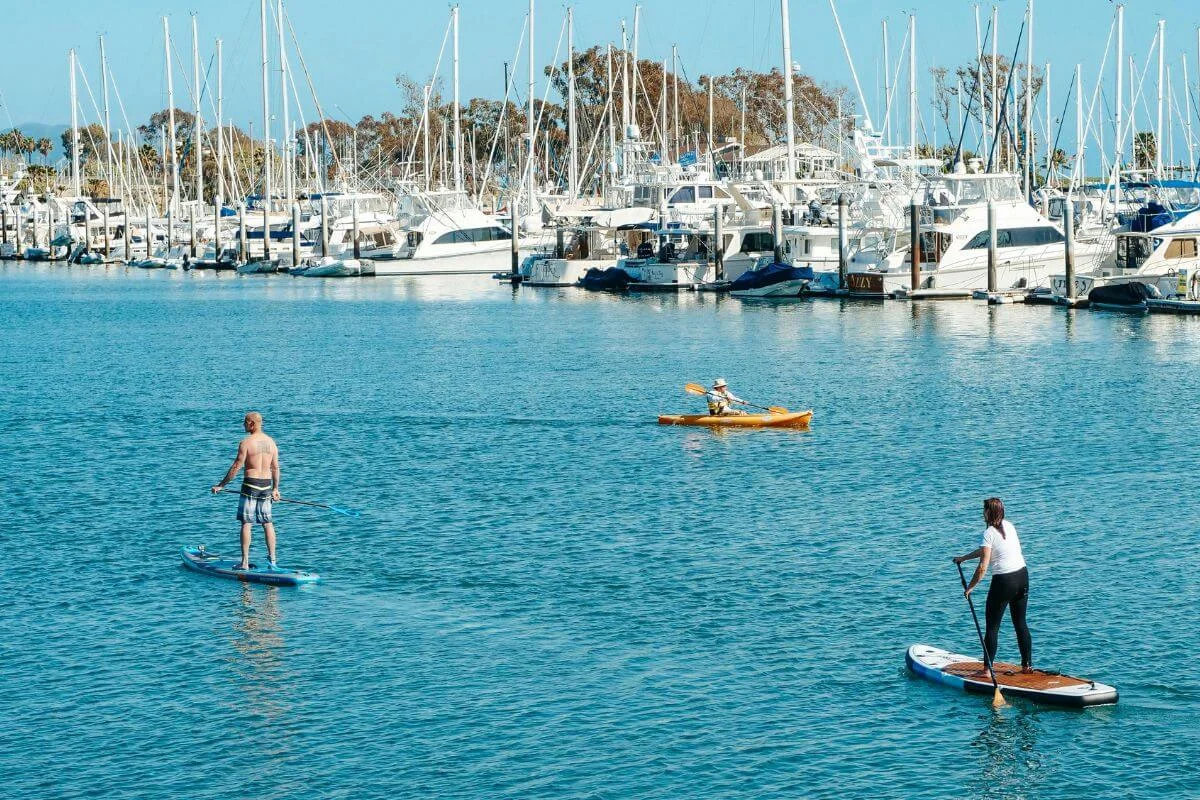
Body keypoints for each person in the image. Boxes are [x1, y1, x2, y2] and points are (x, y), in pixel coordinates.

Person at [953, 498, 1033, 673]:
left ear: (990, 513)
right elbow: (987, 550)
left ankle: (987, 670)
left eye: (984, 510)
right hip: (1022, 577)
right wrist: (964, 558)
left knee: (992, 627)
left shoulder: (988, 532)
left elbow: (983, 566)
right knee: (1020, 623)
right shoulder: (1010, 526)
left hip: (1004, 582)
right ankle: (1027, 666)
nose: (983, 513)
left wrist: (970, 587)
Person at [211, 412, 281, 570]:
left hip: (250, 485)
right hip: (266, 485)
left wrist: (222, 485)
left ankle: (244, 562)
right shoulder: (271, 443)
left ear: (252, 424)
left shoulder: (246, 443)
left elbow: (237, 466)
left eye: (245, 422)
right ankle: (273, 562)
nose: (243, 425)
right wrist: (276, 489)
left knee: (246, 523)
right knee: (267, 523)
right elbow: (275, 467)